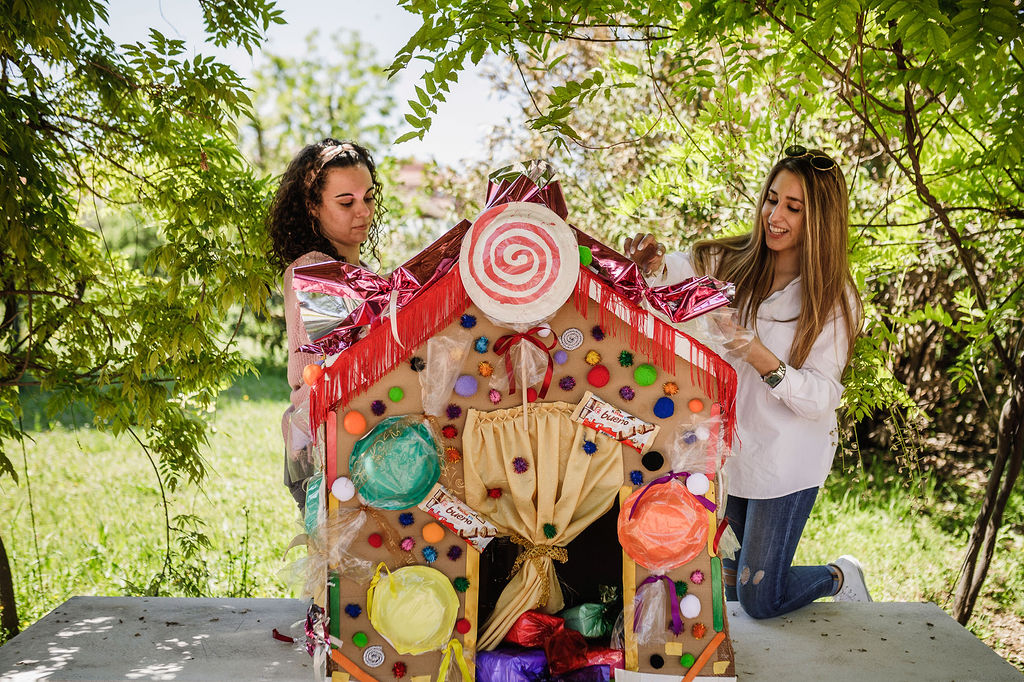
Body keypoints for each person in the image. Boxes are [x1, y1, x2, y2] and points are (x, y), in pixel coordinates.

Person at [624, 145, 870, 618]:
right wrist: (650, 265)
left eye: (793, 208)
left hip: (786, 458)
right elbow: (670, 282)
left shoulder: (833, 300)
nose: (774, 216)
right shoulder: (725, 260)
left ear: (820, 221)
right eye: (772, 199)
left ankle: (839, 575)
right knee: (732, 590)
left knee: (760, 598)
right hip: (728, 450)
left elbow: (822, 397)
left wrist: (761, 357)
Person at [267, 139, 386, 509]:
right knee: (343, 566)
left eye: (368, 197)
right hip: (324, 450)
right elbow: (354, 357)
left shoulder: (361, 273)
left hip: (356, 439)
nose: (363, 211)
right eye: (346, 202)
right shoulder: (312, 268)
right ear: (313, 207)